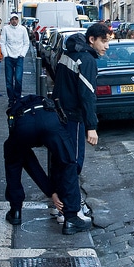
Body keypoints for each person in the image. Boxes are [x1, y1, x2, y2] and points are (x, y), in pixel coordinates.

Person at [4, 94, 92, 235]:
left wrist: (51, 192)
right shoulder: (48, 105)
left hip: (23, 125)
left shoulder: (16, 110)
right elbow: (65, 161)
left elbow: (32, 165)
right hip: (49, 121)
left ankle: (15, 211)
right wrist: (55, 193)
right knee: (68, 162)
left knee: (14, 162)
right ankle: (70, 218)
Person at [51, 23, 112, 222]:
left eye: (108, 42)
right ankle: (70, 208)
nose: (106, 46)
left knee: (62, 160)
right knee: (73, 162)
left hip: (59, 114)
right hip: (73, 117)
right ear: (91, 40)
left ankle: (59, 203)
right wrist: (91, 126)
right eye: (104, 41)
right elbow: (87, 95)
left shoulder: (68, 53)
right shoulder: (87, 60)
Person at [0, 13, 30, 108]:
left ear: (18, 20)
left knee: (18, 79)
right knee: (9, 80)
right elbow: (2, 42)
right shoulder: (6, 29)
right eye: (12, 19)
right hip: (9, 57)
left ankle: (17, 98)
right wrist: (6, 54)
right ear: (10, 20)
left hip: (19, 57)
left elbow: (26, 43)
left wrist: (22, 54)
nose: (14, 21)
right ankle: (11, 99)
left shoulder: (23, 29)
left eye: (16, 19)